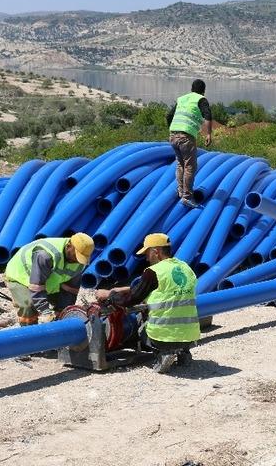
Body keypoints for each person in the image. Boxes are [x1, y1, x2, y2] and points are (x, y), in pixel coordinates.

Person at [96, 233, 200, 373]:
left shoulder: (153, 272)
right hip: (190, 334)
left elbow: (130, 300)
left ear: (155, 251)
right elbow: (167, 290)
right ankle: (184, 353)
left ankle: (163, 354)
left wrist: (109, 294)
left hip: (163, 336)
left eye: (147, 253)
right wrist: (127, 289)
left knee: (140, 327)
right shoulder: (185, 268)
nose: (146, 257)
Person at [4, 233, 94, 326]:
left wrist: (62, 312)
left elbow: (71, 289)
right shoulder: (45, 255)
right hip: (19, 277)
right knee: (28, 307)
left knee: (62, 308)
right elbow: (37, 286)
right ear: (69, 246)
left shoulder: (80, 261)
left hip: (46, 281)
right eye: (76, 255)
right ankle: (31, 335)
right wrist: (45, 312)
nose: (78, 260)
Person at [166, 79, 212, 208]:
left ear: (191, 88)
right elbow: (208, 115)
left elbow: (169, 115)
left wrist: (173, 129)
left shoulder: (182, 99)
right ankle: (187, 197)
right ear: (203, 90)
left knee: (180, 164)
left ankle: (180, 191)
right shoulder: (200, 99)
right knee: (190, 166)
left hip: (173, 134)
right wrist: (208, 134)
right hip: (186, 136)